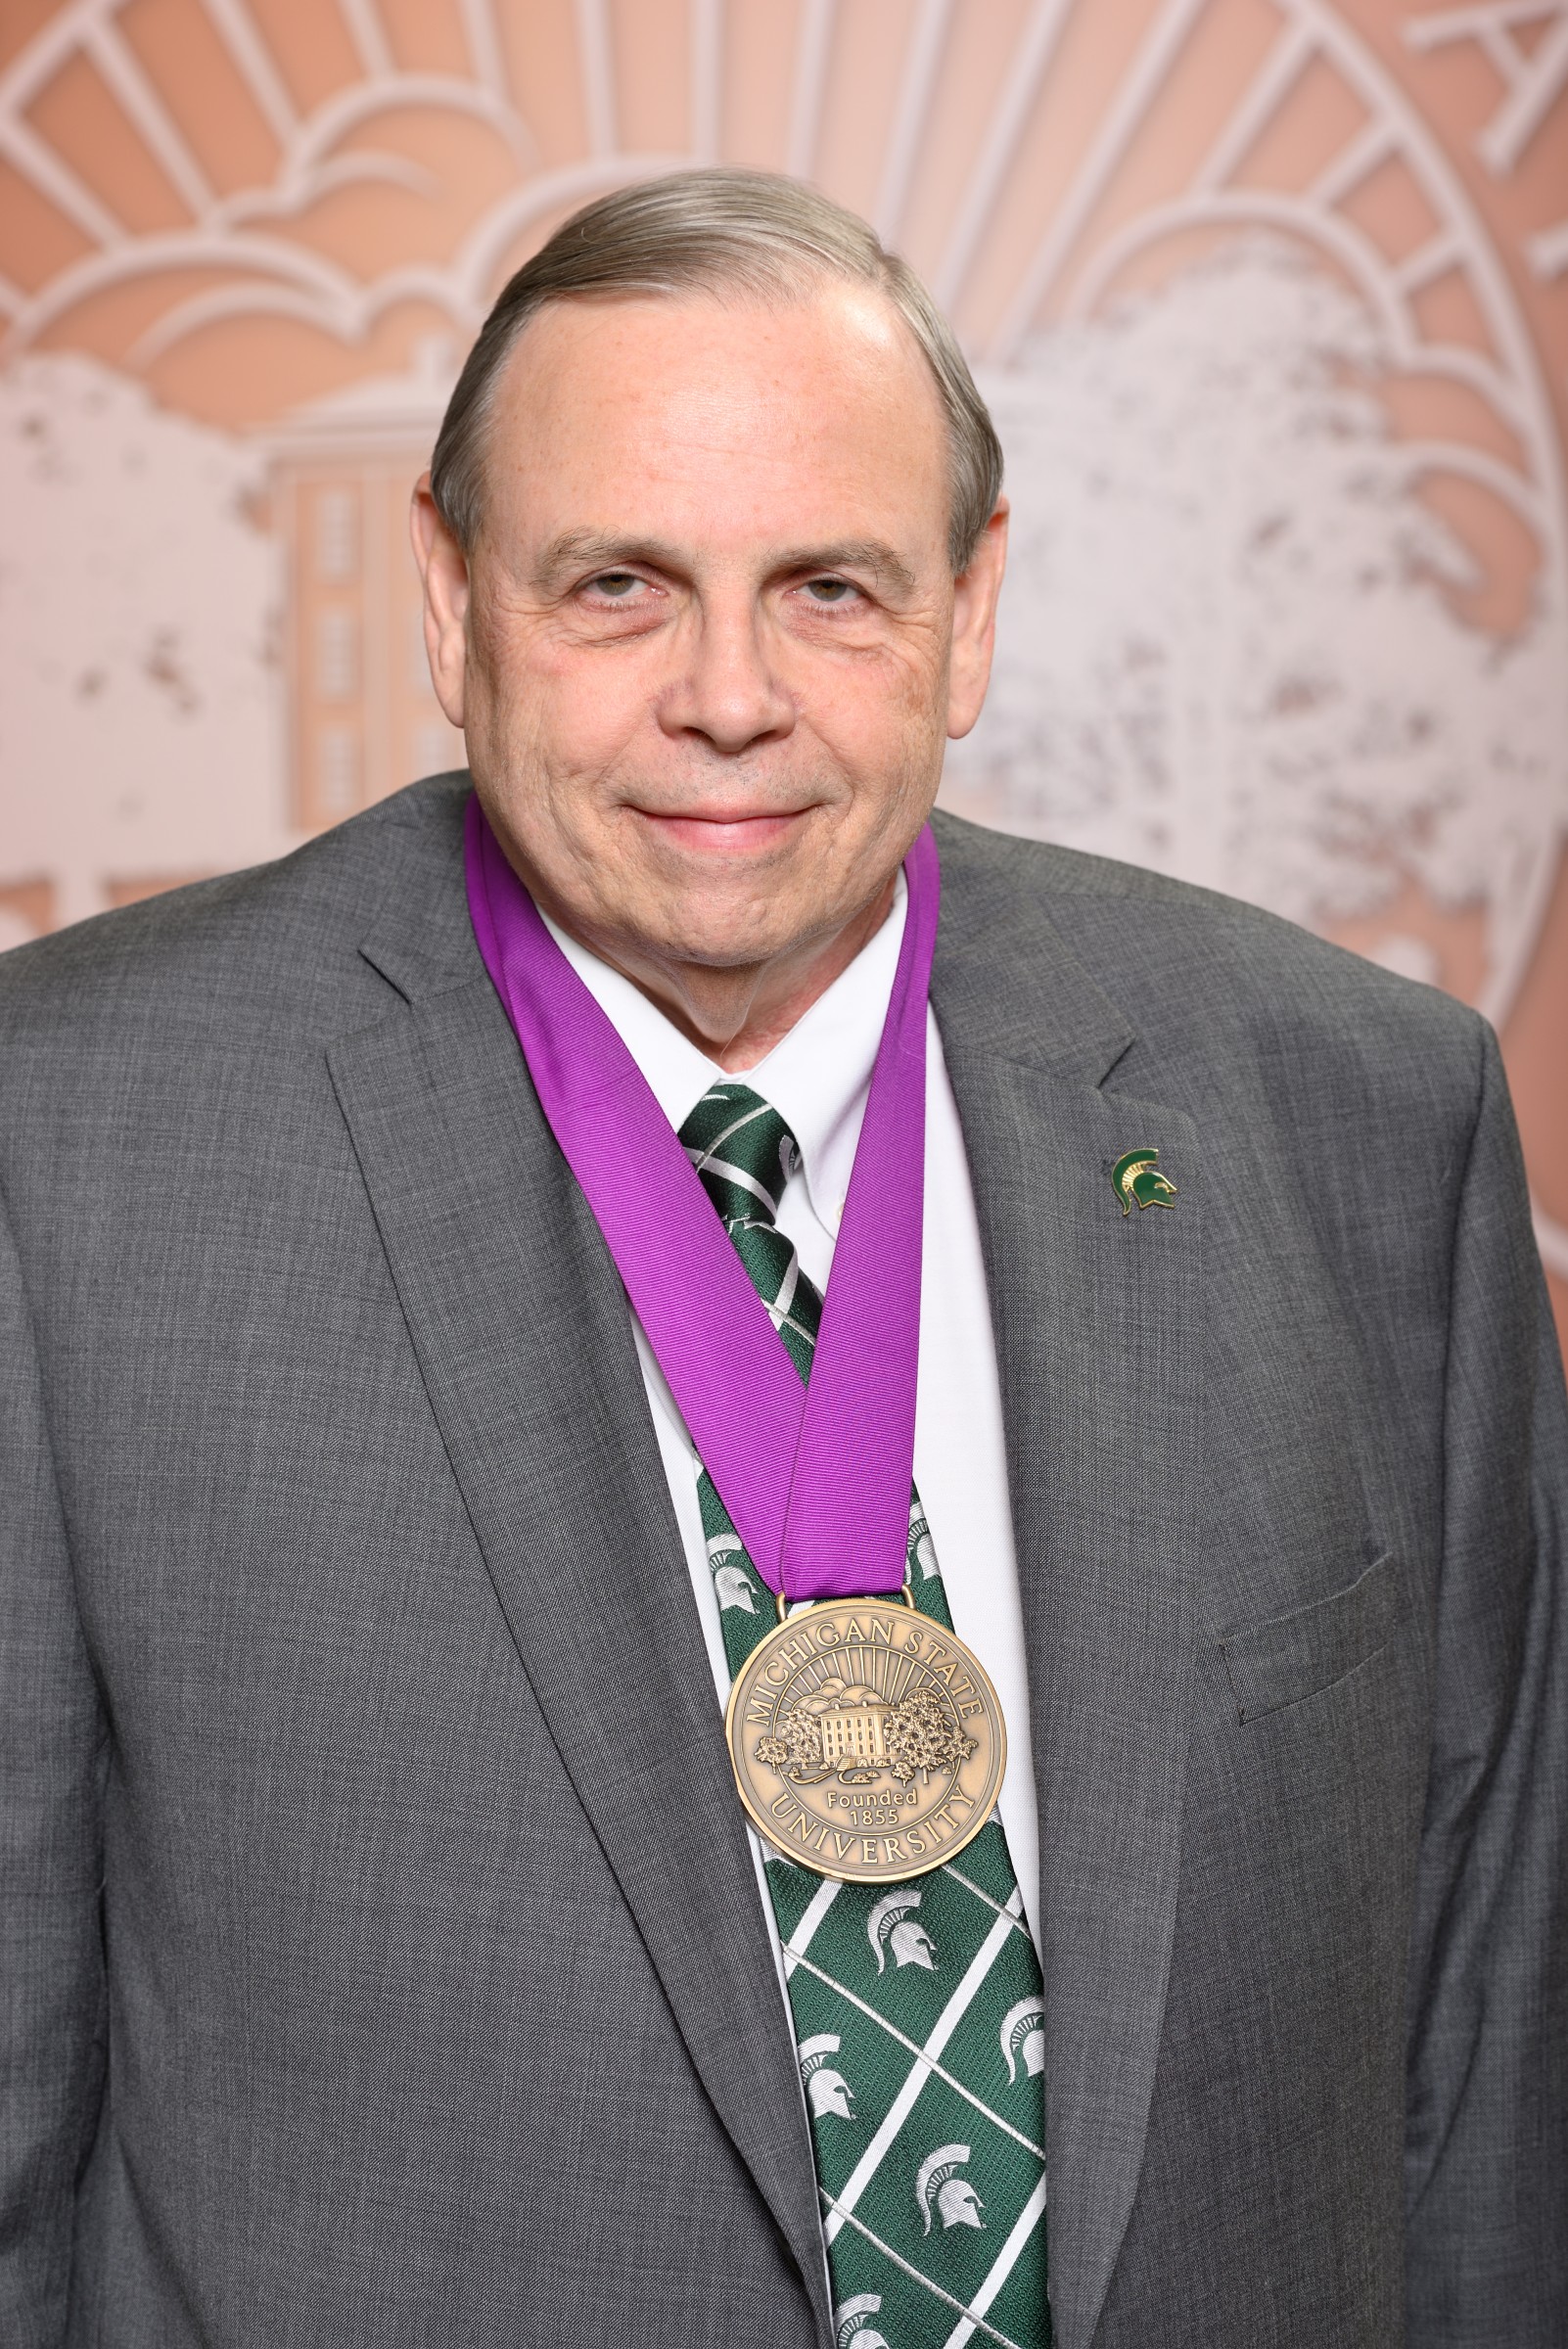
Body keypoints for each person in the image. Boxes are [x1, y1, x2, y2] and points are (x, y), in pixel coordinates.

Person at [1, 167, 1563, 2349]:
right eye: (617, 585)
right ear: (450, 602)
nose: (726, 697)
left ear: (971, 607)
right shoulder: (70, 1144)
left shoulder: (1360, 1116)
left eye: (830, 588)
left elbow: (1489, 2073)